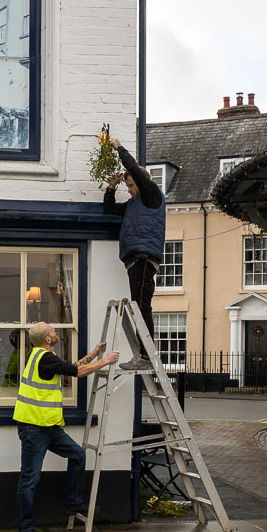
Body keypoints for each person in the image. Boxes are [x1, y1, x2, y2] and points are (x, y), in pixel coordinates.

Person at [13, 322, 119, 532]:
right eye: (51, 330)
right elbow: (78, 372)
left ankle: (73, 502)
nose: (55, 331)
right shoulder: (44, 357)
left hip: (48, 426)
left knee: (78, 455)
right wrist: (106, 360)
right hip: (34, 428)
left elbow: (71, 367)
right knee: (29, 480)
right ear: (48, 339)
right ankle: (25, 529)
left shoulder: (41, 356)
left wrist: (93, 354)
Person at [102, 141, 166, 371]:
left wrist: (118, 147)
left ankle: (146, 356)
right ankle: (144, 353)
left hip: (143, 258)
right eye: (127, 186)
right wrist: (111, 186)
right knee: (140, 306)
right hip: (134, 260)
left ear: (140, 182)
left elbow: (133, 168)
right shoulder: (132, 205)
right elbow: (109, 210)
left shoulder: (152, 194)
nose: (128, 189)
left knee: (142, 307)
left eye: (130, 185)